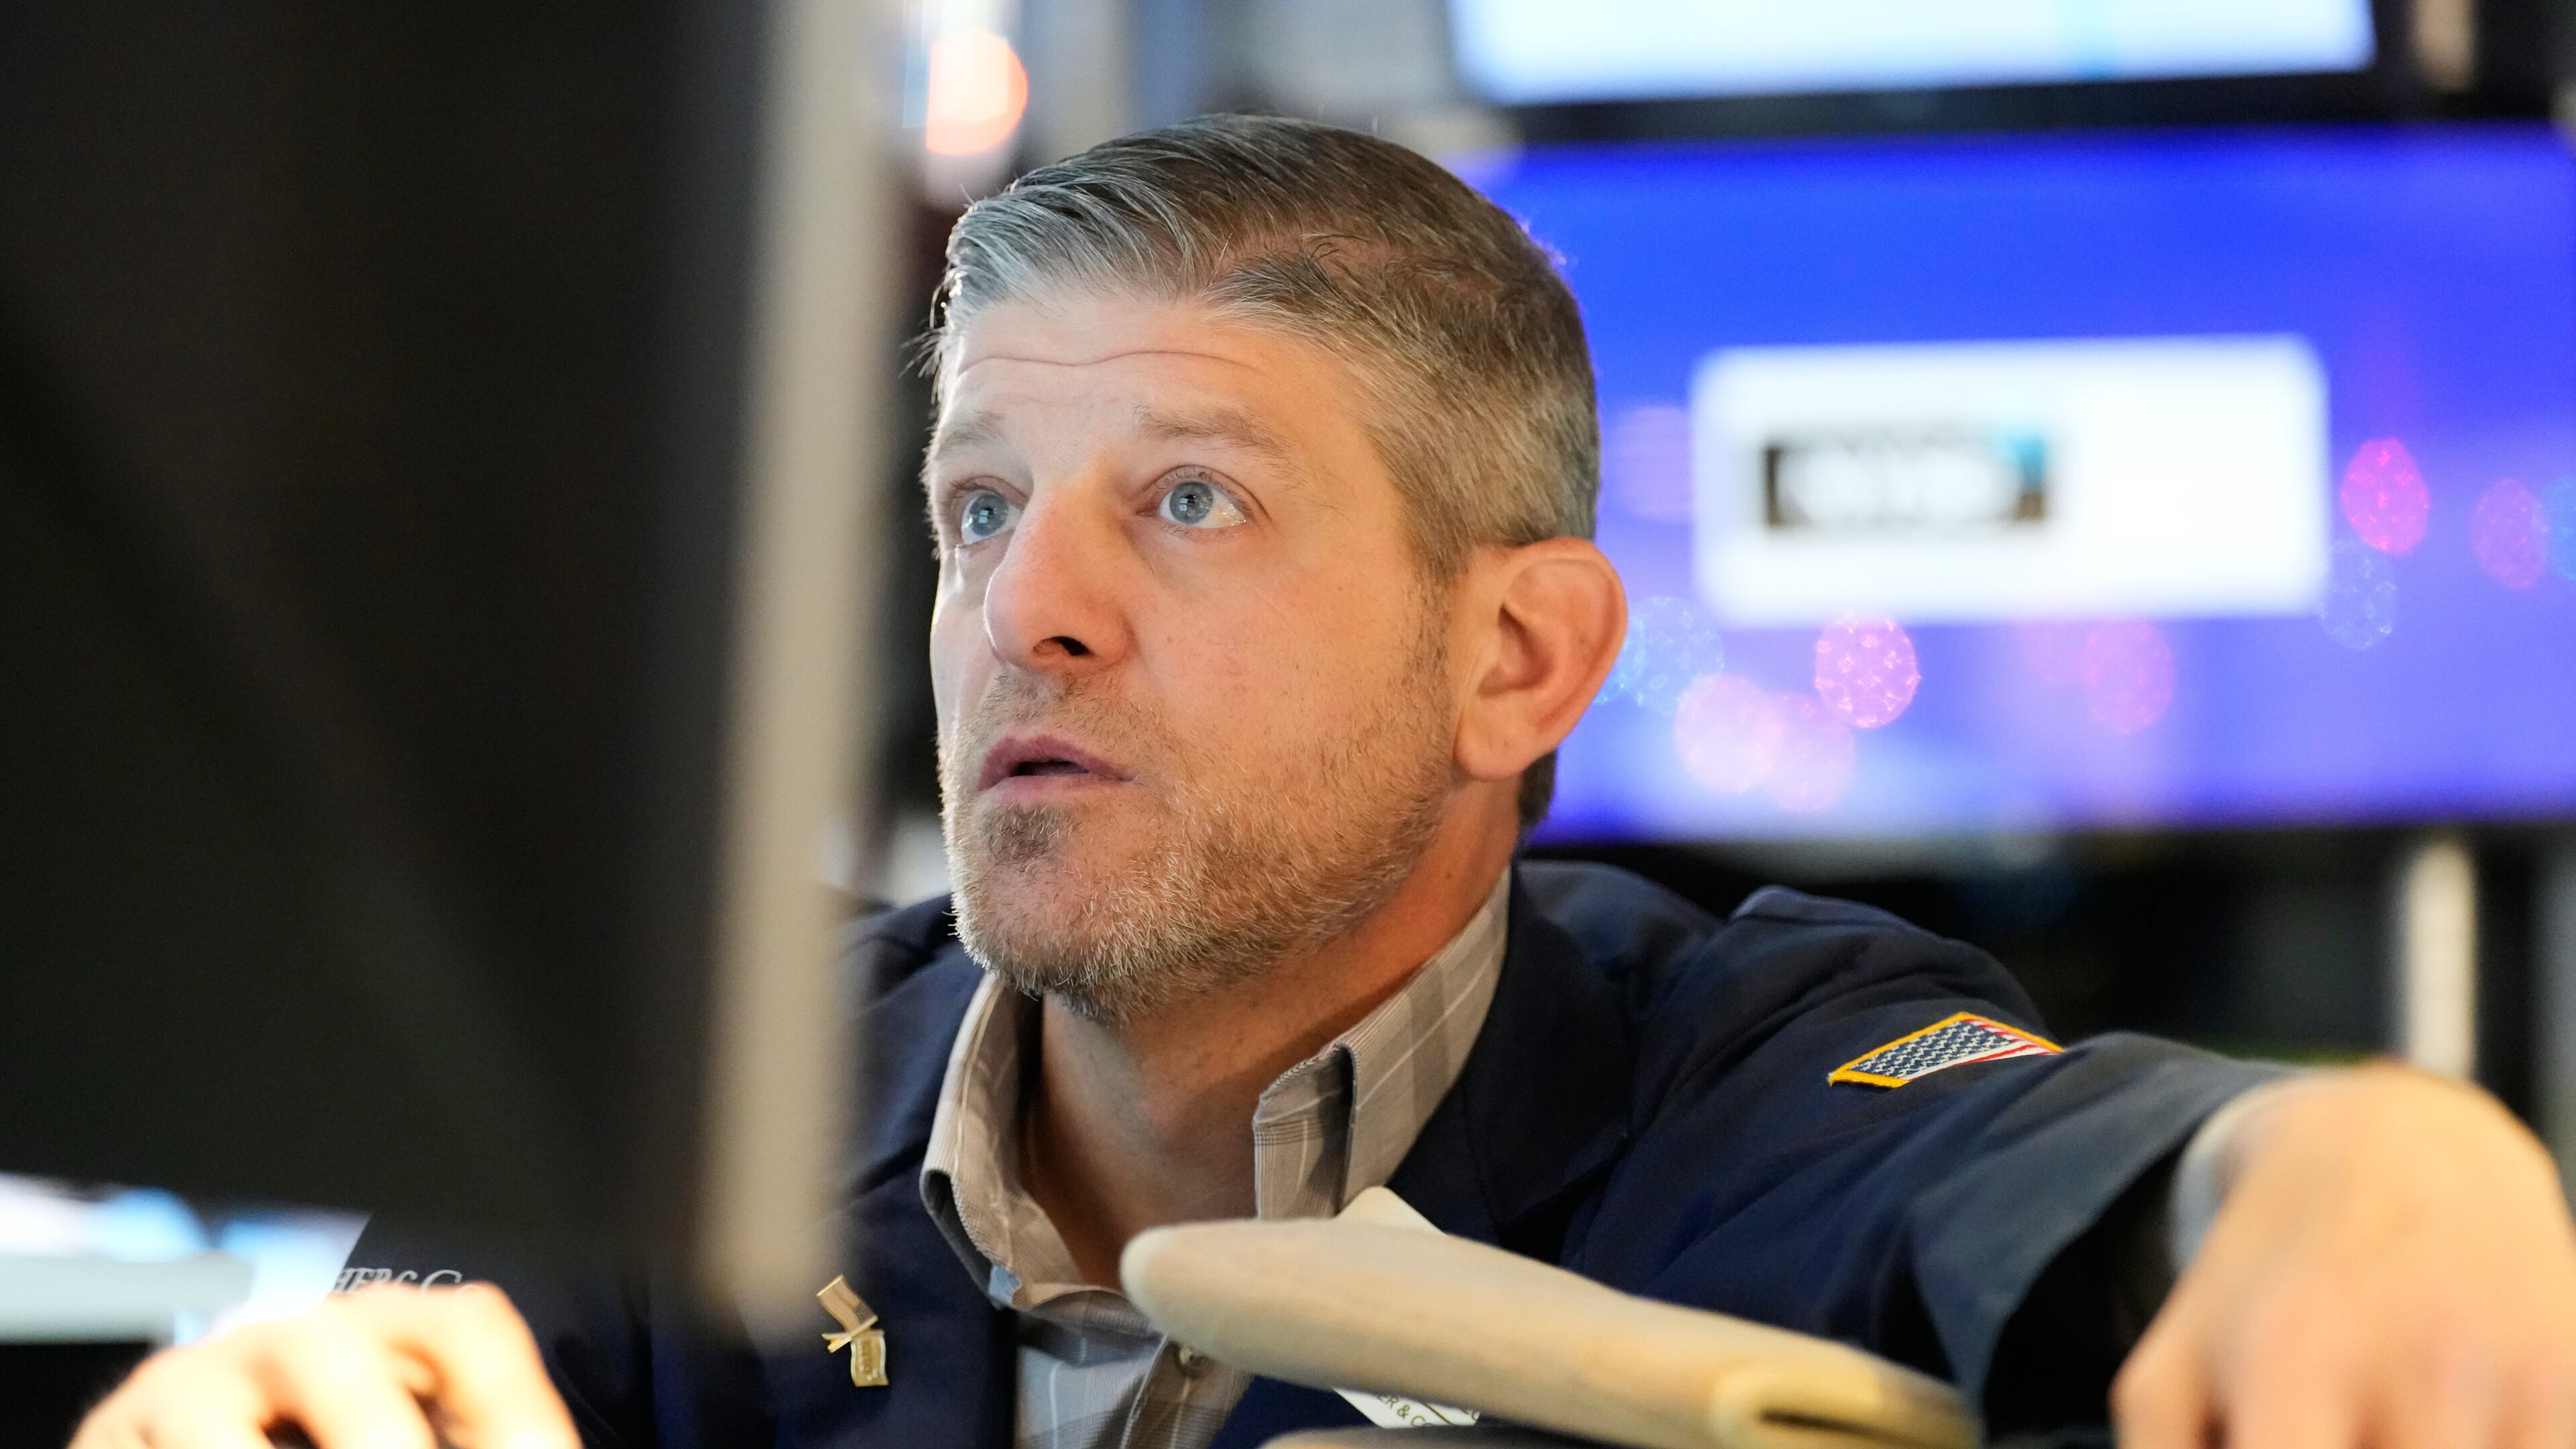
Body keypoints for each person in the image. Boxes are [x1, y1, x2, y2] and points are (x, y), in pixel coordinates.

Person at [78, 115, 2576, 1449]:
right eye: (977, 508)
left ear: (1518, 656)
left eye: (1189, 501)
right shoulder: (665, 1112)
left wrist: (2388, 1159)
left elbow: (2108, 1168)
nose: (1021, 613)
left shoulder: (1722, 1072)